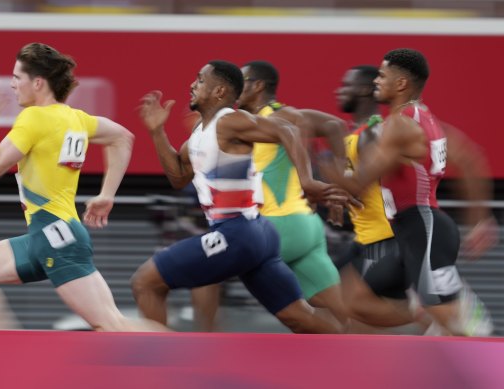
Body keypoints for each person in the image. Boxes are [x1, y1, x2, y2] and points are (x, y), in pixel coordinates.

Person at [0, 42, 165, 332]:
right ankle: (7, 359)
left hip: (55, 237)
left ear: (37, 83)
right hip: (48, 235)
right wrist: (106, 195)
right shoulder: (75, 118)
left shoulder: (35, 117)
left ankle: (190, 360)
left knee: (111, 325)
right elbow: (122, 137)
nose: (12, 85)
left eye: (17, 77)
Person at [131, 60, 349, 333]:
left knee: (145, 282)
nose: (192, 85)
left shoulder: (231, 121)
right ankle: (350, 355)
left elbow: (288, 130)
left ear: (219, 91)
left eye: (200, 80)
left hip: (238, 233)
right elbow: (177, 177)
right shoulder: (199, 135)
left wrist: (307, 181)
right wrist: (157, 132)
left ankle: (158, 367)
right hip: (258, 234)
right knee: (299, 317)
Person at [323, 48, 495, 336]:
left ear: (401, 84)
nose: (376, 81)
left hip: (423, 228)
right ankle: (422, 309)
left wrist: (322, 164)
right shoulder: (424, 118)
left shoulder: (399, 126)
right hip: (405, 232)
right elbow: (469, 158)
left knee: (456, 325)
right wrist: (480, 220)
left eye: (382, 75)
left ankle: (465, 321)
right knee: (353, 298)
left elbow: (356, 185)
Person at [335, 65, 423, 331]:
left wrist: (331, 182)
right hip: (363, 237)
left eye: (346, 85)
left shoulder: (375, 133)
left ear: (363, 90)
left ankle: (426, 312)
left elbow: (364, 183)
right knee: (336, 304)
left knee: (348, 303)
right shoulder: (356, 133)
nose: (338, 90)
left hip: (382, 237)